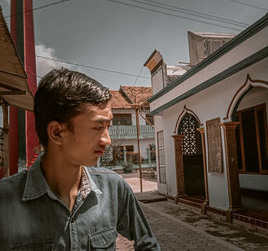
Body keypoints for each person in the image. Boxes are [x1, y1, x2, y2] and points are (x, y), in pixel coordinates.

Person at [0, 68, 160, 250]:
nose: (107, 140)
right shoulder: (5, 200)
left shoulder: (113, 188)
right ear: (57, 132)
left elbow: (149, 245)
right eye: (97, 127)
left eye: (108, 126)